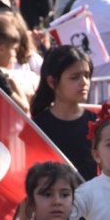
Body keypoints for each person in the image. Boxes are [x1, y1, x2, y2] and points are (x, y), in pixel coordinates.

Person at [30, 46, 97, 181]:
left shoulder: (96, 122)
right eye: (74, 77)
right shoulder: (38, 127)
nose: (84, 82)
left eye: (87, 75)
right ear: (52, 82)